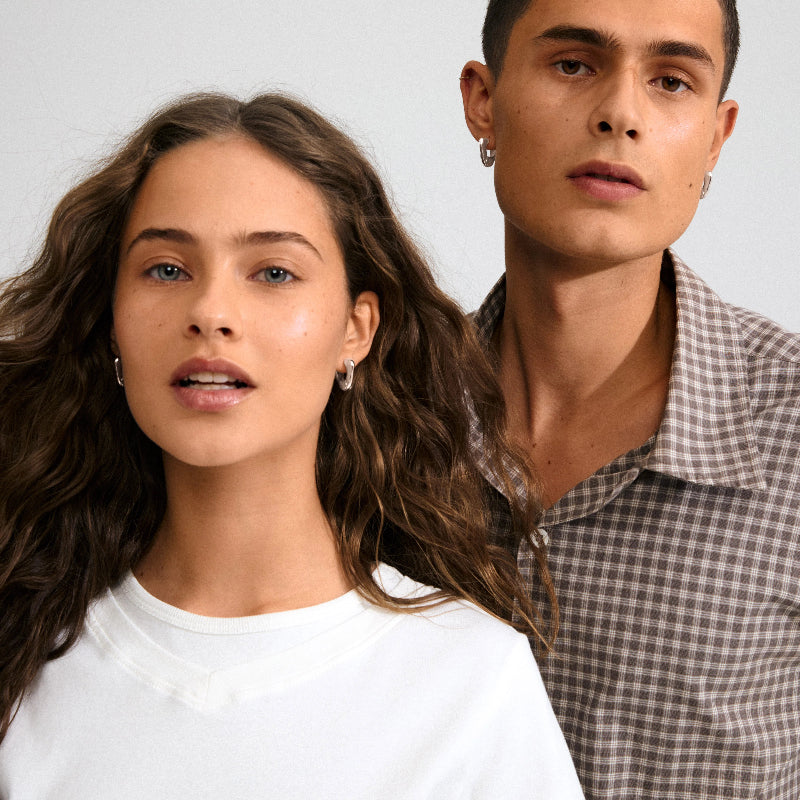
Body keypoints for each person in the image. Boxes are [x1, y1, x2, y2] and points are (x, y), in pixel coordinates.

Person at [0, 93, 585, 798]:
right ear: (111, 319)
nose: (210, 313)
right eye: (166, 269)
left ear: (356, 330)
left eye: (273, 273)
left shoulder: (468, 681)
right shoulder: (24, 656)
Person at [460, 0, 800, 798]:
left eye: (672, 81)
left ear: (716, 136)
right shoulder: (374, 416)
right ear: (484, 103)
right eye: (573, 64)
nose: (620, 113)